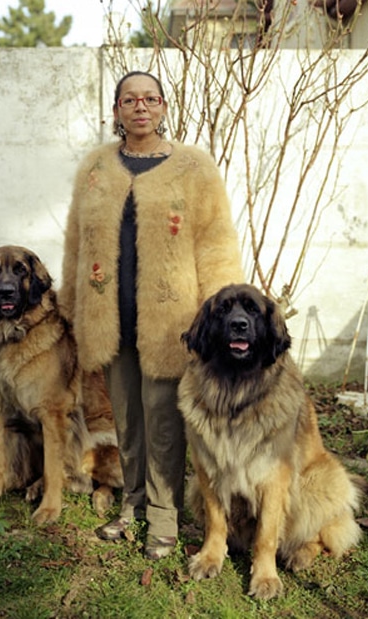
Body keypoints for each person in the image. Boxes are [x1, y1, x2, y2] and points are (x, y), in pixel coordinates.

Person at [58, 71, 245, 559]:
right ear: (116, 110)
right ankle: (133, 504)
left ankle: (164, 517)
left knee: (162, 419)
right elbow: (76, 242)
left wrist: (220, 312)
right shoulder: (96, 167)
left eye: (150, 99)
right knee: (126, 417)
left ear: (163, 106)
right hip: (109, 314)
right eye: (129, 100)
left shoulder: (194, 167)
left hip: (170, 321)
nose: (140, 107)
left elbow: (217, 242)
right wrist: (71, 308)